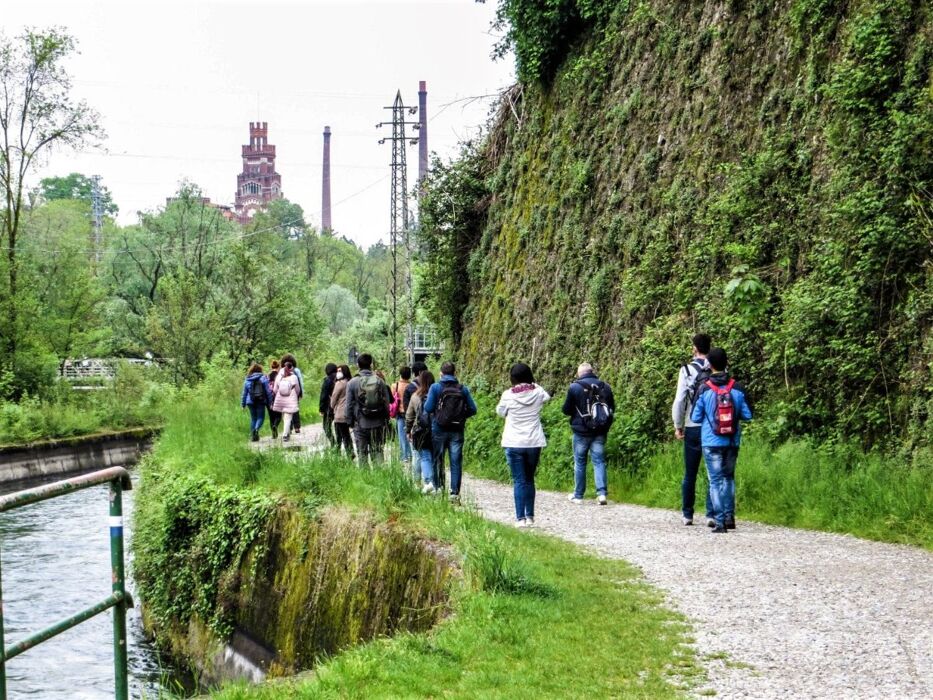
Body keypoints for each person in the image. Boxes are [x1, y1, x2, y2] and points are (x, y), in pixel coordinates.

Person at [690, 347, 753, 533]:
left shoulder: (704, 388)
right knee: (729, 478)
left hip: (711, 441)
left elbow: (695, 416)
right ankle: (729, 518)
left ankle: (719, 523)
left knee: (715, 481)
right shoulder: (737, 388)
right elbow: (748, 415)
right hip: (732, 440)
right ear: (727, 363)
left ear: (710, 366)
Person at [496, 363, 550, 527]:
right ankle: (530, 516)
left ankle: (520, 519)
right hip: (534, 442)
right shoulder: (538, 392)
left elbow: (500, 411)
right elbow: (547, 397)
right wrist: (533, 384)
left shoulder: (508, 395)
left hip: (513, 442)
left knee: (519, 480)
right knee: (529, 478)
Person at [672, 333, 714, 526]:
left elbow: (680, 399)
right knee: (712, 472)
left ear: (695, 349)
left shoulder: (687, 370)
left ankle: (688, 514)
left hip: (692, 425)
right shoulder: (717, 368)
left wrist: (678, 425)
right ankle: (711, 513)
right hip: (713, 427)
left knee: (690, 472)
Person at [423, 361, 478, 503]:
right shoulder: (462, 389)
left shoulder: (435, 387)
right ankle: (454, 493)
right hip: (457, 431)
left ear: (441, 373)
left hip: (439, 429)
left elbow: (428, 408)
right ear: (455, 373)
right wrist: (460, 416)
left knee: (438, 460)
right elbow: (473, 409)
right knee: (455, 461)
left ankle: (439, 488)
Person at [562, 362, 615, 505]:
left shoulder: (574, 387)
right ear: (592, 371)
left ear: (580, 374)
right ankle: (602, 494)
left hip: (581, 433)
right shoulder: (606, 387)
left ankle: (578, 495)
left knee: (580, 463)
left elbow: (566, 410)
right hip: (600, 431)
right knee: (599, 461)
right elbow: (611, 409)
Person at [345, 353, 392, 465]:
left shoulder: (352, 382)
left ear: (358, 365)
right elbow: (387, 403)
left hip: (360, 423)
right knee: (378, 451)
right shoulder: (380, 381)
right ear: (371, 364)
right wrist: (385, 420)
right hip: (378, 423)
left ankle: (365, 480)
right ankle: (379, 477)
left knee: (362, 454)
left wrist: (350, 421)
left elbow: (349, 405)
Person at [406, 370, 436, 493]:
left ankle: (424, 482)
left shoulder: (415, 396)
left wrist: (408, 430)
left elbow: (409, 415)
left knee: (423, 457)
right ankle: (437, 483)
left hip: (421, 430)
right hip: (437, 430)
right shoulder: (438, 394)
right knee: (436, 458)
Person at [241, 363, 272, 442]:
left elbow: (244, 393)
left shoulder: (247, 379)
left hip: (250, 402)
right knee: (260, 417)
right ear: (260, 370)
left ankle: (253, 436)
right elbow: (268, 391)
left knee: (253, 418)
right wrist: (270, 402)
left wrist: (243, 404)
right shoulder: (263, 378)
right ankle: (256, 429)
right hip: (260, 400)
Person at [272, 361, 302, 441]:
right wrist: (297, 395)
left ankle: (287, 432)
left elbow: (274, 389)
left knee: (284, 416)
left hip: (280, 399)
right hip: (291, 399)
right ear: (291, 368)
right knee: (288, 417)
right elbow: (297, 389)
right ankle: (285, 435)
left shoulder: (278, 377)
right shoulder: (294, 377)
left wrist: (279, 393)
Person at [329, 364, 354, 457]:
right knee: (346, 434)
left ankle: (344, 452)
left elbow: (334, 399)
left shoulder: (339, 384)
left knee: (342, 434)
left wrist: (332, 405)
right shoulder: (351, 382)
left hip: (340, 413)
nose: (338, 373)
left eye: (340, 371)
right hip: (350, 412)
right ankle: (349, 451)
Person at [391, 366, 413, 464]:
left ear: (400, 374)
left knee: (401, 436)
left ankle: (404, 456)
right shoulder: (412, 386)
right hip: (411, 413)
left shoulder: (395, 385)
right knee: (410, 434)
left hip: (400, 413)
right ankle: (411, 455)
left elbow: (392, 400)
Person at [280, 353, 304, 433]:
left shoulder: (282, 371)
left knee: (286, 410)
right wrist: (301, 393)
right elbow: (300, 382)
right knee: (295, 409)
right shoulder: (296, 370)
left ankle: (289, 427)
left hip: (284, 393)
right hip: (294, 393)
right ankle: (297, 427)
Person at [319, 363, 338, 447]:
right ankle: (340, 444)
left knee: (326, 427)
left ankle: (333, 443)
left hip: (329, 408)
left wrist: (321, 409)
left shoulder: (327, 380)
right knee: (339, 427)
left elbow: (323, 395)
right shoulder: (340, 378)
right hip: (340, 407)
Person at [267, 360, 282, 439]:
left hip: (269, 398)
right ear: (278, 367)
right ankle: (275, 426)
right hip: (277, 397)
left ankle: (274, 434)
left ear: (271, 366)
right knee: (278, 416)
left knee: (271, 416)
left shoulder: (267, 376)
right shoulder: (279, 375)